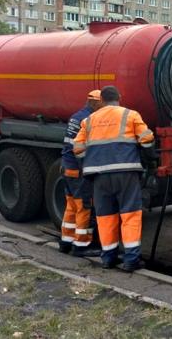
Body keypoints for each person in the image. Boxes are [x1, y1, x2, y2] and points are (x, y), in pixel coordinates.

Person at [73, 85, 155, 271]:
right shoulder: (130, 115)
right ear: (119, 97)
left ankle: (109, 258)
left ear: (101, 100)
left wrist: (89, 164)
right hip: (126, 172)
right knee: (130, 214)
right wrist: (150, 158)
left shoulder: (89, 120)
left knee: (105, 217)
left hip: (99, 176)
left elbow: (77, 149)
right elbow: (147, 139)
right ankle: (130, 260)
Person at [59, 90, 103, 257]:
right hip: (78, 171)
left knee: (71, 207)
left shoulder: (76, 116)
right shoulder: (89, 120)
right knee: (85, 207)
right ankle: (82, 245)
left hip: (67, 167)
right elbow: (81, 151)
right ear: (96, 103)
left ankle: (66, 241)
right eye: (102, 103)